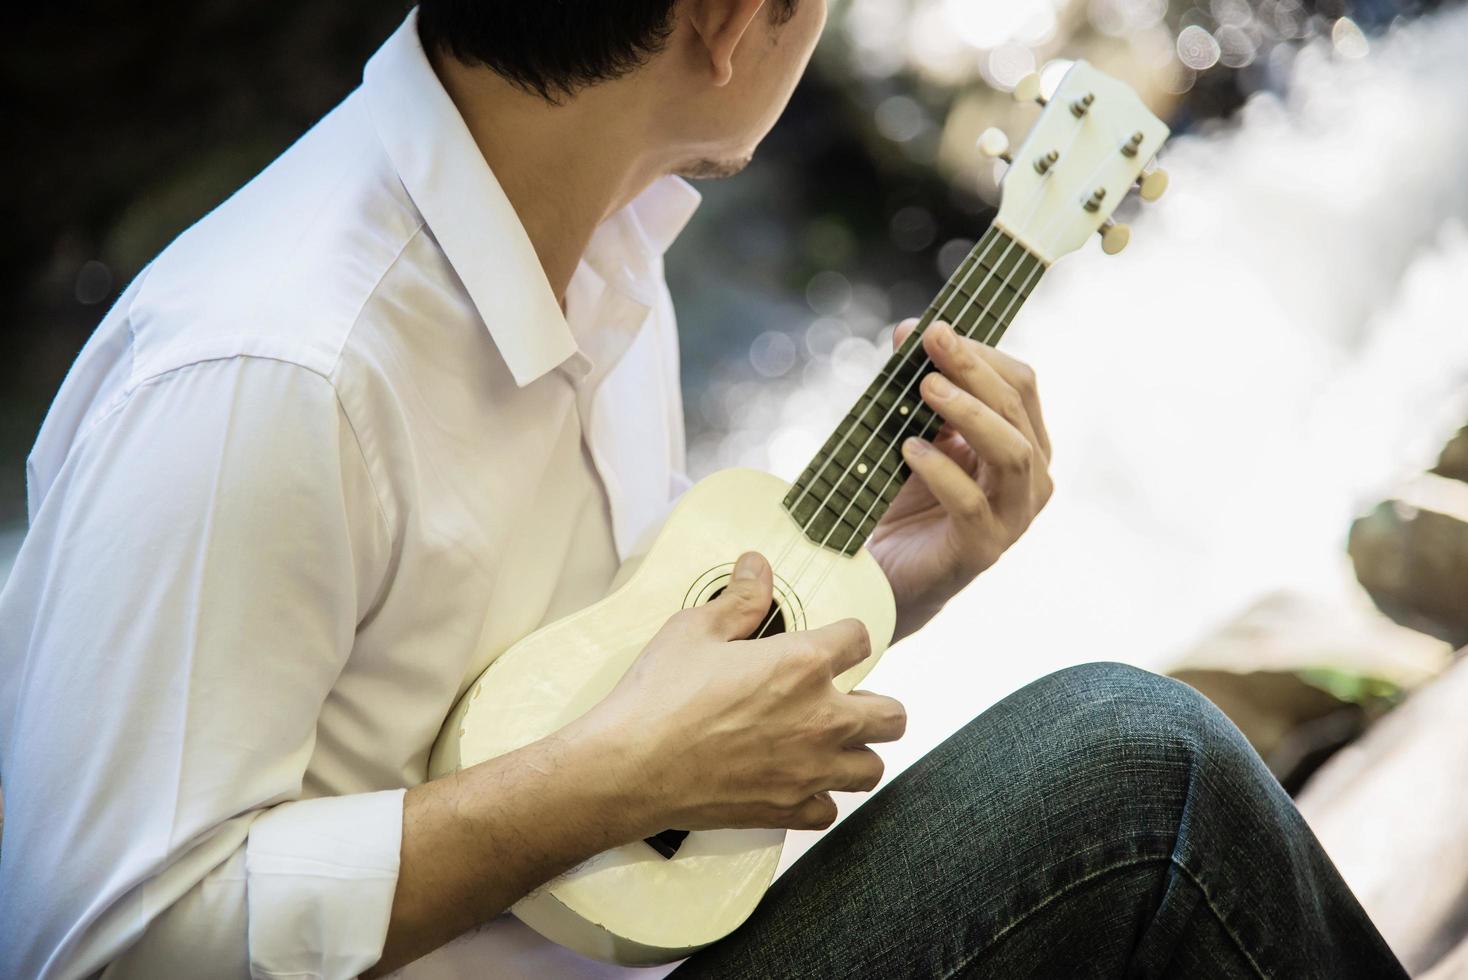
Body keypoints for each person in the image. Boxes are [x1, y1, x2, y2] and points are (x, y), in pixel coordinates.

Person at [0, 2, 1405, 978]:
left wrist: (867, 603)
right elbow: (103, 946)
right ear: (735, 22)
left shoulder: (601, 237)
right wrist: (607, 783)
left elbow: (571, 689)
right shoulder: (271, 374)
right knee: (1138, 781)